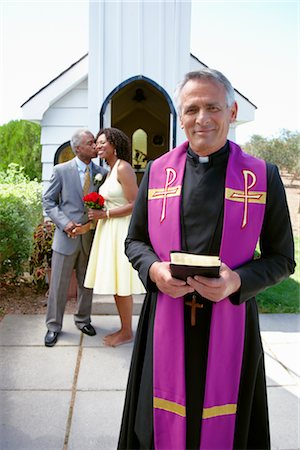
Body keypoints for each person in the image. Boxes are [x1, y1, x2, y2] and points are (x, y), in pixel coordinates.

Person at [118, 69, 296, 450]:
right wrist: (153, 269)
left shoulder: (261, 176)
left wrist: (237, 282)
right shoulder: (157, 172)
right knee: (153, 429)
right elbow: (135, 241)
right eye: (192, 109)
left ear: (231, 112)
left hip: (231, 319)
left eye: (212, 107)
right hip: (165, 318)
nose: (202, 118)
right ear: (179, 117)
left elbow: (282, 258)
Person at [72, 127, 145, 347]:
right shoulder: (111, 170)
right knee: (115, 283)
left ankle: (127, 332)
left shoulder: (123, 168)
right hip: (108, 230)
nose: (98, 146)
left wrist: (106, 214)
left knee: (121, 283)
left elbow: (135, 204)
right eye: (97, 143)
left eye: (103, 142)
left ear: (114, 144)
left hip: (120, 230)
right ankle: (124, 328)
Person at [43, 128, 107, 347]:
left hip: (90, 238)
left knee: (86, 283)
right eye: (91, 143)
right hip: (66, 238)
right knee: (58, 286)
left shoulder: (102, 172)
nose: (95, 146)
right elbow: (49, 202)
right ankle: (53, 326)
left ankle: (83, 320)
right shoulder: (61, 171)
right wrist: (66, 223)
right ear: (78, 148)